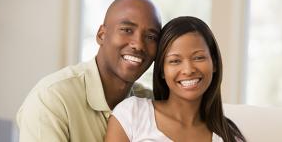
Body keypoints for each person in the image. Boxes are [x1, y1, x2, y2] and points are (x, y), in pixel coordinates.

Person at [16, 0, 161, 142]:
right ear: (101, 35)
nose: (138, 45)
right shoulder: (52, 99)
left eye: (151, 37)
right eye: (127, 30)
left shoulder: (152, 104)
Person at [105, 16, 246, 142]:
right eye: (175, 61)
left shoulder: (229, 136)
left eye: (198, 58)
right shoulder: (133, 113)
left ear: (214, 63)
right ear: (161, 70)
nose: (188, 70)